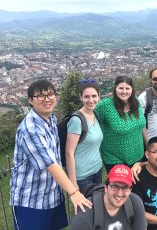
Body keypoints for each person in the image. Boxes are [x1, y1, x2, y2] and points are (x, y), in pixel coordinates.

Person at [10, 79, 92, 230]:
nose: (47, 99)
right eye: (40, 96)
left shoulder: (50, 120)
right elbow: (50, 163)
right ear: (30, 100)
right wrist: (73, 191)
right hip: (31, 200)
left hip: (51, 196)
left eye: (50, 95)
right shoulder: (30, 128)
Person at [70, 164, 147, 230]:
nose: (120, 193)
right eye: (115, 186)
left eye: (125, 187)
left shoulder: (135, 203)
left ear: (130, 190)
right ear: (106, 188)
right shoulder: (85, 214)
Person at [94, 75, 146, 173]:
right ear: (115, 88)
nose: (124, 91)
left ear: (132, 89)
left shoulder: (136, 102)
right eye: (121, 88)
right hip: (114, 158)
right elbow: (91, 122)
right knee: (120, 187)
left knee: (137, 187)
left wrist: (148, 146)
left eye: (127, 88)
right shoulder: (105, 106)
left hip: (138, 155)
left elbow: (142, 127)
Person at [65, 79, 103, 191]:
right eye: (86, 97)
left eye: (94, 96)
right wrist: (73, 182)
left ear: (99, 97)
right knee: (85, 207)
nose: (91, 100)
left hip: (97, 169)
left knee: (98, 206)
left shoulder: (95, 115)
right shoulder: (77, 120)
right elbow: (69, 152)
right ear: (81, 97)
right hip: (82, 176)